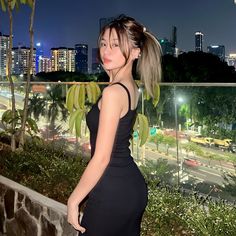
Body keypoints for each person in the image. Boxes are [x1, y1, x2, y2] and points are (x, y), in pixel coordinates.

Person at [67, 15, 162, 236]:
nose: (106, 51)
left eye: (116, 45)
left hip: (112, 190)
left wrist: (74, 201)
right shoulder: (129, 87)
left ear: (136, 52)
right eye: (103, 44)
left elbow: (101, 158)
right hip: (128, 187)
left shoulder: (113, 92)